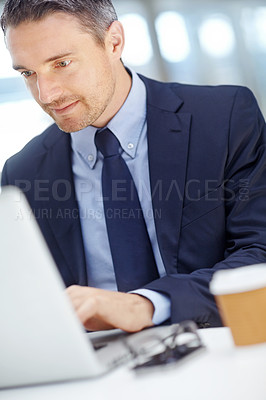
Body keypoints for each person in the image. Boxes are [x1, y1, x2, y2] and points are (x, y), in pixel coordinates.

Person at [1, 0, 266, 333]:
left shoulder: (224, 118)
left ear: (114, 42)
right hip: (103, 370)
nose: (46, 93)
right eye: (28, 73)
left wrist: (146, 304)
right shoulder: (21, 174)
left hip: (218, 345)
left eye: (62, 63)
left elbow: (259, 253)